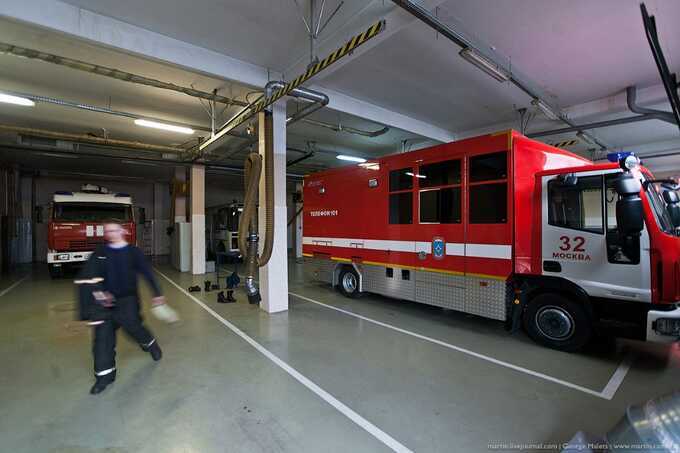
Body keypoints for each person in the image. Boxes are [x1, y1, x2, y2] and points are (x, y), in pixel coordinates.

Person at [75, 221, 167, 395]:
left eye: (114, 230)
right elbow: (88, 276)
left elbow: (147, 272)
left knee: (134, 328)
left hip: (127, 300)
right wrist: (100, 294)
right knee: (102, 339)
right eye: (108, 231)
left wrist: (157, 293)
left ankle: (150, 344)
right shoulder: (100, 253)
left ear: (123, 231)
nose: (111, 233)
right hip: (103, 304)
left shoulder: (133, 252)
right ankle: (104, 377)